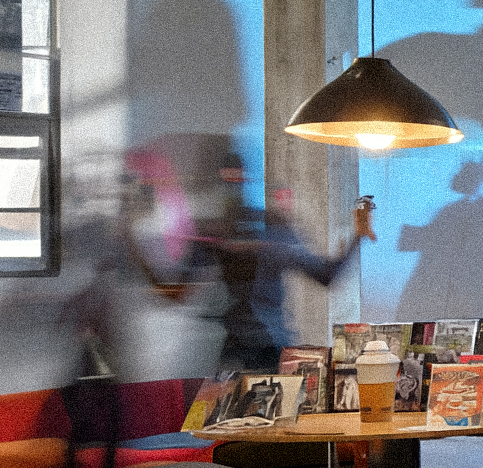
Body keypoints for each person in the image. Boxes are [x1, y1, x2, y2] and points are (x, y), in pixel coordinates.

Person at [131, 145, 376, 373]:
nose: (231, 187)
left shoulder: (267, 227)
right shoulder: (220, 233)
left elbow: (327, 276)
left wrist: (359, 235)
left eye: (235, 179)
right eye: (226, 180)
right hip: (244, 348)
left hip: (265, 348)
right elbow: (177, 293)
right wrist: (134, 246)